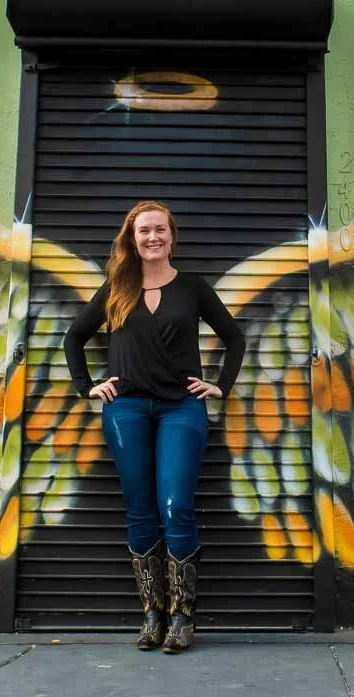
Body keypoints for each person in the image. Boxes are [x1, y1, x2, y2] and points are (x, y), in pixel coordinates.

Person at [63, 201, 246, 653]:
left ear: (171, 235)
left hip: (181, 409)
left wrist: (220, 385)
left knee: (176, 505)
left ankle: (182, 616)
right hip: (126, 409)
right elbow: (74, 337)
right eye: (144, 230)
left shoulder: (193, 288)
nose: (152, 237)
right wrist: (87, 386)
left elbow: (234, 337)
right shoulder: (116, 288)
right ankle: (152, 614)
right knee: (140, 508)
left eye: (160, 229)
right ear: (132, 237)